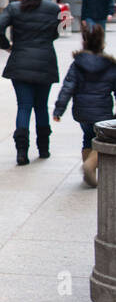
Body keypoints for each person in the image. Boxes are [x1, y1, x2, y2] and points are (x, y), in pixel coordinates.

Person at [0, 0, 61, 165]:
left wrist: (6, 45)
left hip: (20, 61)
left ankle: (22, 152)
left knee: (24, 106)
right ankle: (44, 148)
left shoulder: (14, 8)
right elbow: (56, 32)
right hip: (45, 62)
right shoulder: (53, 9)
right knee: (41, 106)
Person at [53, 21, 116, 187]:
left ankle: (90, 173)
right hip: (102, 112)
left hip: (81, 112)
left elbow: (68, 87)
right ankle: (90, 165)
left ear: (84, 42)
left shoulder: (77, 64)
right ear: (102, 42)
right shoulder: (110, 66)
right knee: (101, 141)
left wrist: (59, 110)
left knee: (87, 137)